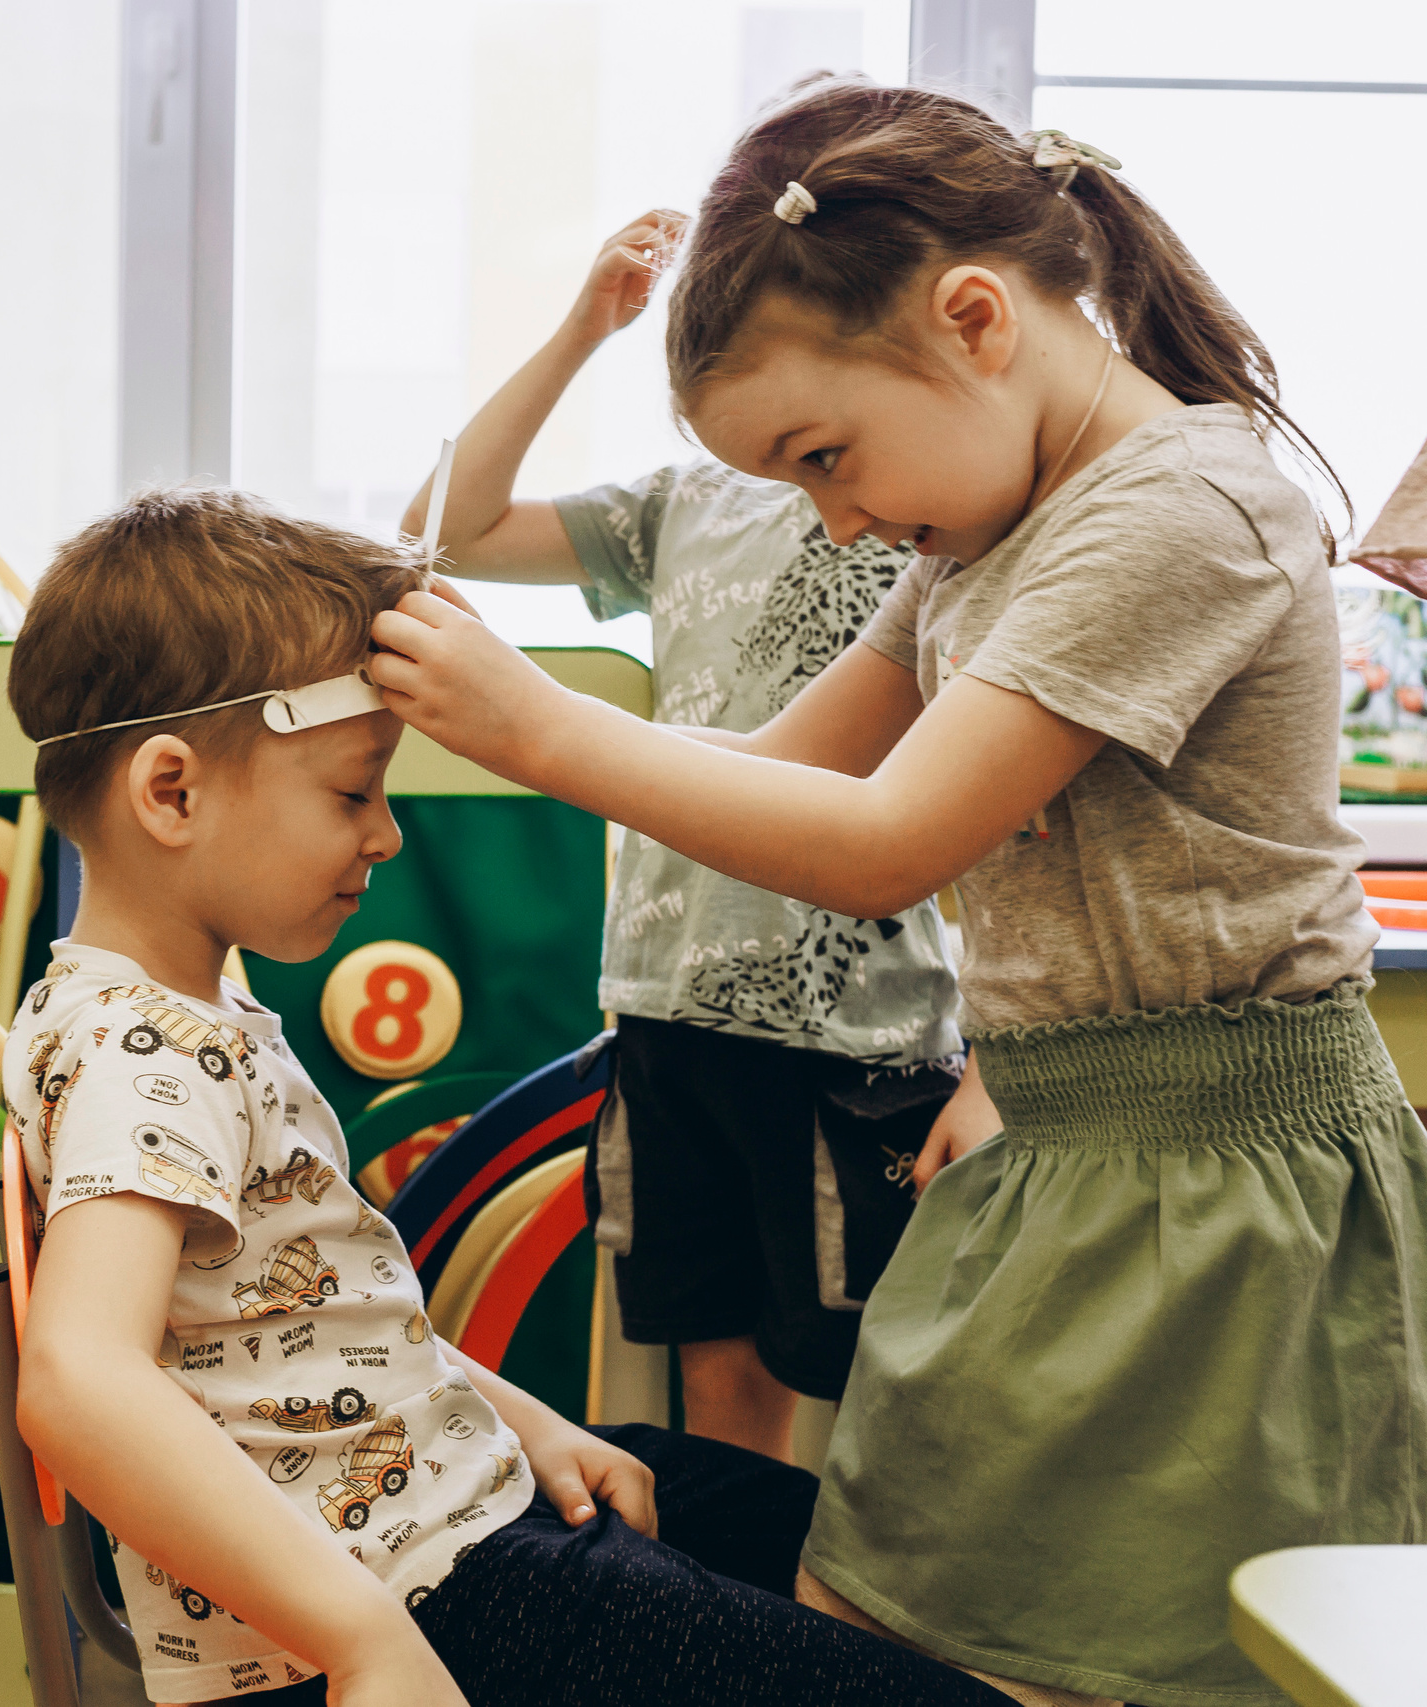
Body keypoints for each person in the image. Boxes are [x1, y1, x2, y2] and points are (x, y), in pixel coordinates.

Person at [368, 77, 1427, 1707]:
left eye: (827, 454)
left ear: (977, 319)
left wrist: (542, 725)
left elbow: (885, 841)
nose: (840, 518)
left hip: (1212, 1203)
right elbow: (790, 770)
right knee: (886, 1613)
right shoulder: (976, 539)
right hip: (1066, 1148)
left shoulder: (1181, 509)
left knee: (1124, 1656)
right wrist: (1021, 1058)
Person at [3, 485, 1009, 1706]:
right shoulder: (134, 1050)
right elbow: (75, 1378)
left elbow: (315, 1325)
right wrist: (365, 1642)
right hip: (416, 1588)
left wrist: (531, 1426)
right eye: (350, 793)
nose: (384, 838)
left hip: (446, 1511)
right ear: (170, 792)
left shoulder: (191, 1011)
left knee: (837, 1535)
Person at [399, 210, 973, 1460]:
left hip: (855, 1024)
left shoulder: (931, 512)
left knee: (871, 1382)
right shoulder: (682, 503)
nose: (829, 498)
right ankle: (736, 1625)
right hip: (667, 997)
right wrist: (576, 335)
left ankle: (843, 1638)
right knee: (715, 1376)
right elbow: (442, 529)